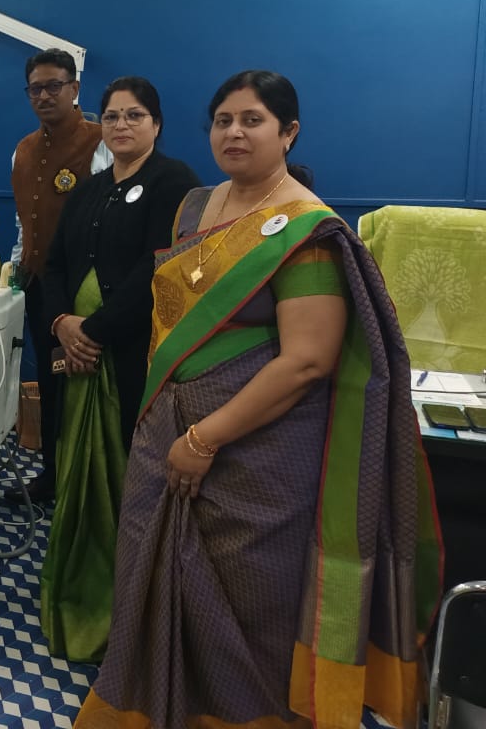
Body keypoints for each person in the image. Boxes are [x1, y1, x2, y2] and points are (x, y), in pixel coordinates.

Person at [75, 71, 441, 729]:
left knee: (248, 598)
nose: (234, 133)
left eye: (253, 120)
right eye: (223, 120)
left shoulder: (306, 230)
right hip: (164, 435)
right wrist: (175, 434)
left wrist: (204, 439)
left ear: (288, 132)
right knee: (146, 576)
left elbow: (307, 361)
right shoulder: (194, 208)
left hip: (254, 457)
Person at [38, 76, 199, 663]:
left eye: (134, 115)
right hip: (78, 356)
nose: (121, 125)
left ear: (156, 123)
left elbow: (161, 270)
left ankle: (127, 606)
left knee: (128, 474)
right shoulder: (89, 189)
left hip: (128, 356)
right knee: (72, 467)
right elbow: (54, 264)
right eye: (111, 116)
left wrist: (95, 332)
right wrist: (62, 322)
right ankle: (74, 581)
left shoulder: (173, 183)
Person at [8, 48, 111, 503]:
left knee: (89, 384)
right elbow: (23, 222)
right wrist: (17, 270)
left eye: (54, 86)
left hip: (86, 290)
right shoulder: (23, 149)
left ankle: (91, 482)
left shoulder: (100, 142)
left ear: (75, 88)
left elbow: (109, 223)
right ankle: (52, 476)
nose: (45, 96)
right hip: (39, 287)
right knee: (52, 381)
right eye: (36, 88)